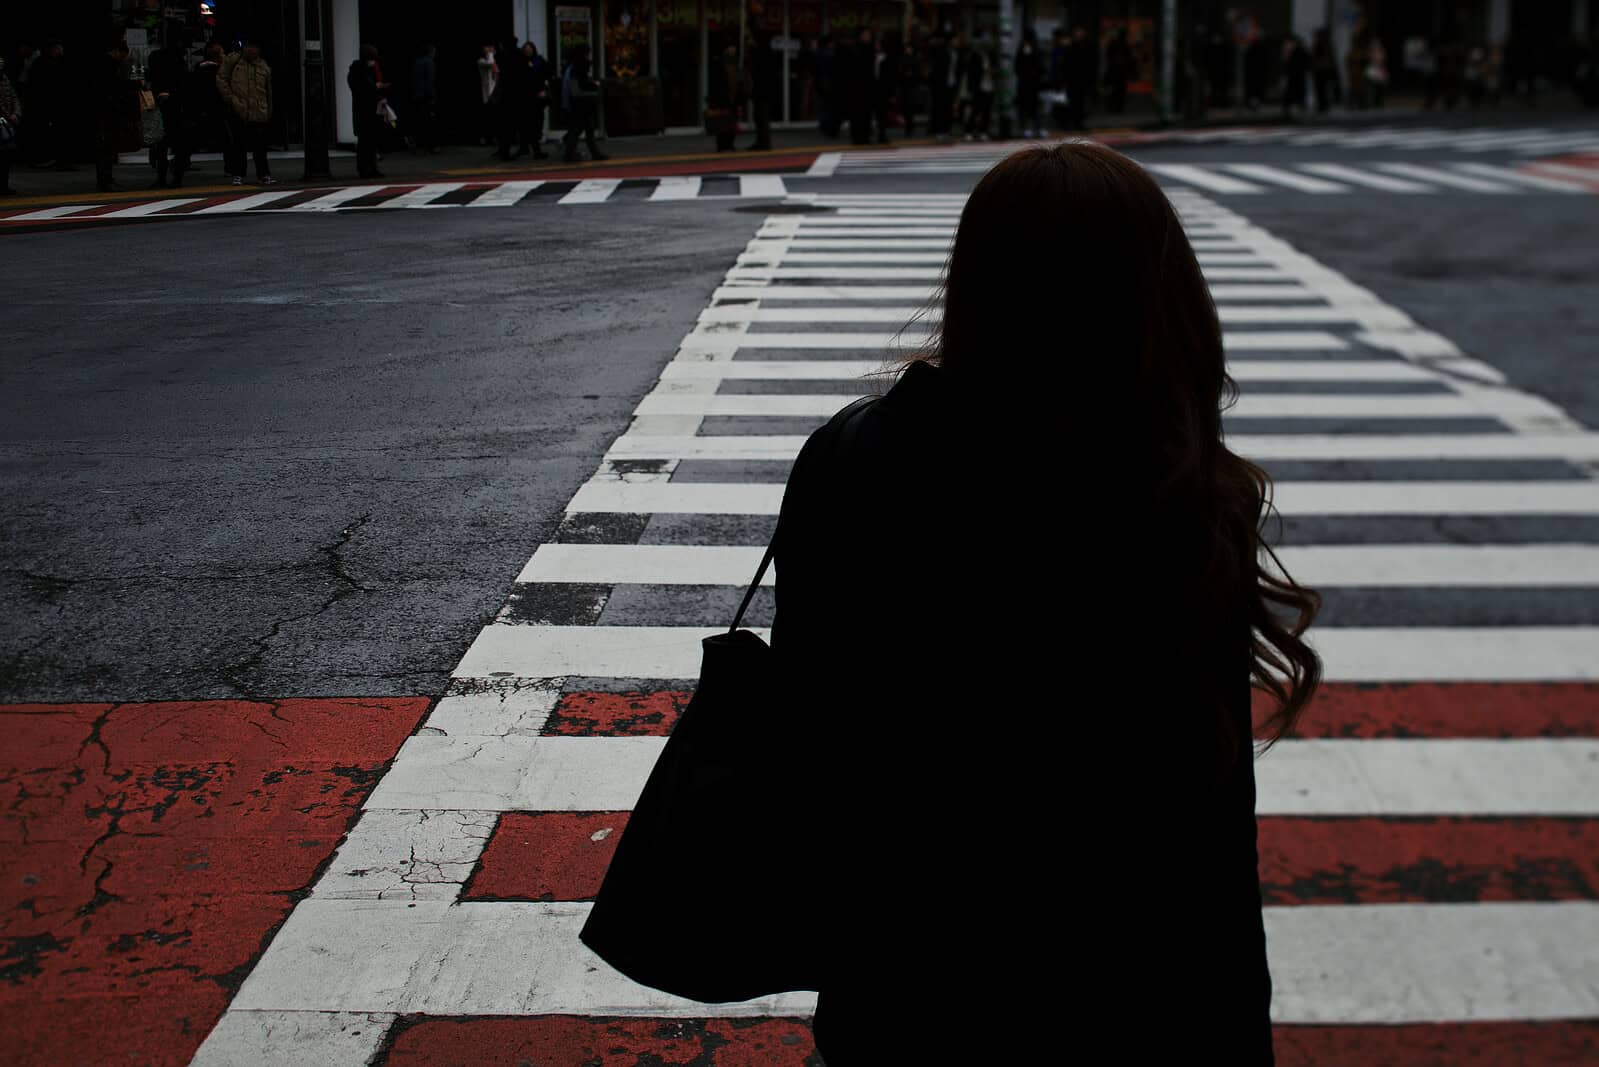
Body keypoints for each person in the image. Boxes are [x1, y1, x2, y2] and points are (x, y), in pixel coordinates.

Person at [770, 141, 1320, 1065]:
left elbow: (807, 717)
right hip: (1134, 988)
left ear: (974, 282)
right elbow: (1209, 823)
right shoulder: (1177, 490)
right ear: (1158, 295)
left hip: (912, 976)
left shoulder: (856, 459)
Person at [218, 36, 275, 185]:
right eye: (249, 46)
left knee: (260, 146)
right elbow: (221, 79)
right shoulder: (234, 61)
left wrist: (268, 110)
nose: (251, 50)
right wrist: (231, 99)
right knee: (238, 145)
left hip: (258, 110)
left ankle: (263, 174)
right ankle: (238, 174)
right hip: (239, 108)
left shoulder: (263, 66)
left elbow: (268, 91)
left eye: (254, 47)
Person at [91, 38, 137, 192]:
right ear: (117, 52)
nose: (123, 59)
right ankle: (105, 179)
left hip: (104, 108)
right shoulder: (109, 66)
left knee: (106, 147)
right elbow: (114, 85)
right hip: (107, 110)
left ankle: (105, 179)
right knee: (107, 146)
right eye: (122, 55)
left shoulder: (104, 65)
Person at [146, 31, 190, 188]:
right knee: (177, 144)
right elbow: (184, 83)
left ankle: (162, 176)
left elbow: (151, 78)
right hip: (176, 105)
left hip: (162, 103)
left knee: (161, 143)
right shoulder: (179, 60)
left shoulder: (157, 58)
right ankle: (176, 176)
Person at [25, 40, 67, 170]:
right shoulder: (45, 65)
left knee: (44, 132)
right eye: (59, 50)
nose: (61, 53)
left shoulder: (43, 64)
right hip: (45, 105)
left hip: (45, 104)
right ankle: (42, 159)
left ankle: (45, 158)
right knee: (42, 132)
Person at [560, 43, 607, 162]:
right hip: (582, 102)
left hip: (576, 102)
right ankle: (571, 154)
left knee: (581, 129)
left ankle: (576, 153)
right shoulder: (581, 65)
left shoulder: (571, 66)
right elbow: (583, 84)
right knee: (583, 129)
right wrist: (594, 85)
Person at [348, 45, 387, 178]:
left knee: (370, 141)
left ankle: (371, 168)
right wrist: (376, 91)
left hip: (368, 110)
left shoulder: (365, 70)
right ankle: (365, 168)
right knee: (366, 141)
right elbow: (363, 90)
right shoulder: (360, 71)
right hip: (365, 110)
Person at [706, 43, 742, 152]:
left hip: (733, 97)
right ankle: (722, 145)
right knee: (722, 122)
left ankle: (730, 144)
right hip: (724, 97)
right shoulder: (720, 66)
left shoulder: (737, 66)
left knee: (731, 122)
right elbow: (717, 83)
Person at [746, 33, 778, 150]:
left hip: (762, 91)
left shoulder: (761, 55)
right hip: (764, 90)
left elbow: (758, 73)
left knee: (761, 117)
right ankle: (762, 142)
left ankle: (763, 142)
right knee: (761, 117)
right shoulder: (768, 54)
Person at [1014, 28, 1043, 137]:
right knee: (1030, 107)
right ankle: (1031, 128)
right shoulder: (1030, 49)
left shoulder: (1025, 48)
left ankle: (1030, 127)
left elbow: (1017, 66)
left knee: (1029, 107)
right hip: (1029, 82)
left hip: (1027, 82)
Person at [410, 44, 438, 155]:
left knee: (419, 120)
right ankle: (431, 146)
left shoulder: (417, 62)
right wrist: (431, 97)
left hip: (417, 95)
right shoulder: (429, 63)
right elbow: (429, 81)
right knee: (430, 121)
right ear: (431, 52)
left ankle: (416, 143)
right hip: (426, 96)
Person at [0, 60, 19, 195]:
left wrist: (16, 113)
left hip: (6, 122)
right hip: (4, 119)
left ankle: (4, 186)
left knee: (6, 155)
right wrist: (8, 115)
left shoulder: (5, 78)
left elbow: (13, 96)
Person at [1103, 26, 1132, 114]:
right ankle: (1117, 108)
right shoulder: (1123, 44)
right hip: (1118, 71)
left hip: (1115, 71)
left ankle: (1113, 108)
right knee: (1119, 91)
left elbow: (1108, 56)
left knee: (1114, 90)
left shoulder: (1114, 44)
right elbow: (1128, 57)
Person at [1311, 28, 1340, 113]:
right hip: (1324, 69)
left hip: (1321, 69)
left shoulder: (1321, 44)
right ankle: (1323, 105)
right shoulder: (1327, 44)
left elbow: (1318, 58)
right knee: (1323, 89)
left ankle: (1322, 105)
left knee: (1321, 89)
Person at [1281, 34, 1310, 119]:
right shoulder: (1300, 51)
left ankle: (1292, 107)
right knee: (1297, 92)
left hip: (1295, 75)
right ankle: (1298, 107)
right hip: (1298, 75)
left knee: (1292, 92)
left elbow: (1288, 64)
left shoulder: (1295, 52)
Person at [477, 43, 499, 146]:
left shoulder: (496, 61)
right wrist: (491, 54)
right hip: (487, 95)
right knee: (486, 118)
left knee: (495, 118)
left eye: (491, 49)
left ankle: (494, 138)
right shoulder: (481, 61)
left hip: (495, 94)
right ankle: (485, 138)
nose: (489, 50)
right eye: (487, 49)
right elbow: (490, 64)